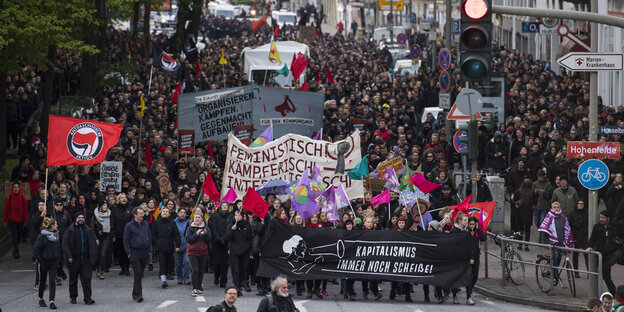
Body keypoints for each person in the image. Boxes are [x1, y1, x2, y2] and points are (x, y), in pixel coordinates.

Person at [62, 212, 97, 305]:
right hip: (74, 259)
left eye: (82, 217)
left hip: (85, 259)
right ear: (75, 219)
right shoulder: (70, 230)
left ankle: (87, 298)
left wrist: (93, 258)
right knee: (73, 280)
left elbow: (93, 244)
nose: (81, 219)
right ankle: (73, 297)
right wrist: (68, 256)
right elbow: (64, 244)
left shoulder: (88, 229)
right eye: (79, 217)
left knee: (86, 279)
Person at [586, 210, 623, 295]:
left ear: (608, 219)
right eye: (600, 217)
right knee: (605, 275)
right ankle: (614, 294)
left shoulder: (616, 226)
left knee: (616, 256)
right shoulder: (597, 227)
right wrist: (589, 246)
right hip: (603, 253)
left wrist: (620, 241)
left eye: (603, 217)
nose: (601, 219)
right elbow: (592, 239)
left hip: (614, 251)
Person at [538, 202, 574, 282]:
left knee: (559, 258)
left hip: (561, 241)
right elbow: (544, 229)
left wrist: (568, 241)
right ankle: (555, 275)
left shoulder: (563, 217)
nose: (556, 208)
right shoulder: (549, 216)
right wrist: (545, 242)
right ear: (552, 208)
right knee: (556, 256)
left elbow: (567, 228)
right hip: (553, 242)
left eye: (558, 207)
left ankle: (554, 272)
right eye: (554, 207)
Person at [123, 207, 152, 302]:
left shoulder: (146, 224)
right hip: (134, 253)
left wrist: (149, 250)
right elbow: (126, 240)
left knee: (139, 274)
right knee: (138, 272)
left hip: (145, 253)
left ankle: (134, 293)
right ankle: (139, 294)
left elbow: (149, 237)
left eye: (143, 213)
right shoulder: (129, 226)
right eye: (140, 213)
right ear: (135, 214)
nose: (142, 215)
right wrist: (129, 253)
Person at [33, 217, 61, 309]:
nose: (57, 225)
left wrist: (58, 258)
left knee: (52, 281)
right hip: (44, 261)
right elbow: (36, 250)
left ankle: (51, 301)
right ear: (52, 226)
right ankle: (41, 298)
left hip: (54, 261)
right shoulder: (42, 236)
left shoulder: (56, 235)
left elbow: (58, 248)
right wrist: (41, 260)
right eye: (55, 224)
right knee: (42, 281)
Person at [151, 206, 181, 288]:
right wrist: (157, 242)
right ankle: (163, 280)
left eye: (166, 211)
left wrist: (178, 245)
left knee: (168, 264)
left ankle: (165, 275)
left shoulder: (172, 223)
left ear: (169, 214)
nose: (165, 212)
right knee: (162, 263)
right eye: (163, 211)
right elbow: (153, 234)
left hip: (169, 246)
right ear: (161, 213)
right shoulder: (156, 222)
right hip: (160, 247)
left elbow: (176, 234)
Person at [187, 208, 212, 297]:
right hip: (192, 252)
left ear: (202, 219)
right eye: (195, 217)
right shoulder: (190, 228)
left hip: (203, 252)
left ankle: (199, 286)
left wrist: (205, 234)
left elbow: (209, 239)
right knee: (195, 269)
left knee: (201, 270)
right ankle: (194, 288)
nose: (197, 219)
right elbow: (189, 240)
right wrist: (196, 234)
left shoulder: (206, 228)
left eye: (199, 217)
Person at [3, 182, 29, 259]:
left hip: (20, 220)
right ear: (12, 188)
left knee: (18, 237)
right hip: (12, 220)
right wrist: (4, 220)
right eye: (14, 187)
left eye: (17, 187)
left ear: (19, 188)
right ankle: (16, 252)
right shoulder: (9, 198)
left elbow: (25, 210)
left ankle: (15, 249)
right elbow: (6, 210)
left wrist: (25, 220)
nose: (16, 189)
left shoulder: (23, 198)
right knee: (14, 235)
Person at [466, 215, 486, 305]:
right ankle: (468, 295)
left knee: (475, 275)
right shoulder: (466, 232)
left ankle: (471, 289)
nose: (472, 226)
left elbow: (483, 238)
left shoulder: (477, 231)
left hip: (476, 256)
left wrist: (478, 229)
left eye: (473, 224)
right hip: (469, 257)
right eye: (470, 224)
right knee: (469, 277)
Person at [93, 202, 115, 280]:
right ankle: (97, 268)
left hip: (107, 235)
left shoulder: (110, 214)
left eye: (106, 205)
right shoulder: (96, 215)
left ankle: (101, 271)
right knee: (97, 254)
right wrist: (95, 238)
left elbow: (112, 225)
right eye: (104, 205)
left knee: (103, 253)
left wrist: (113, 235)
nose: (106, 207)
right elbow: (92, 228)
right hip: (98, 236)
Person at [174, 208, 191, 285]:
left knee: (186, 262)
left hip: (187, 245)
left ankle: (187, 278)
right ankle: (179, 278)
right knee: (178, 263)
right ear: (178, 213)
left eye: (184, 212)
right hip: (177, 245)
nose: (182, 214)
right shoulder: (174, 222)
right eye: (181, 212)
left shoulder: (189, 222)